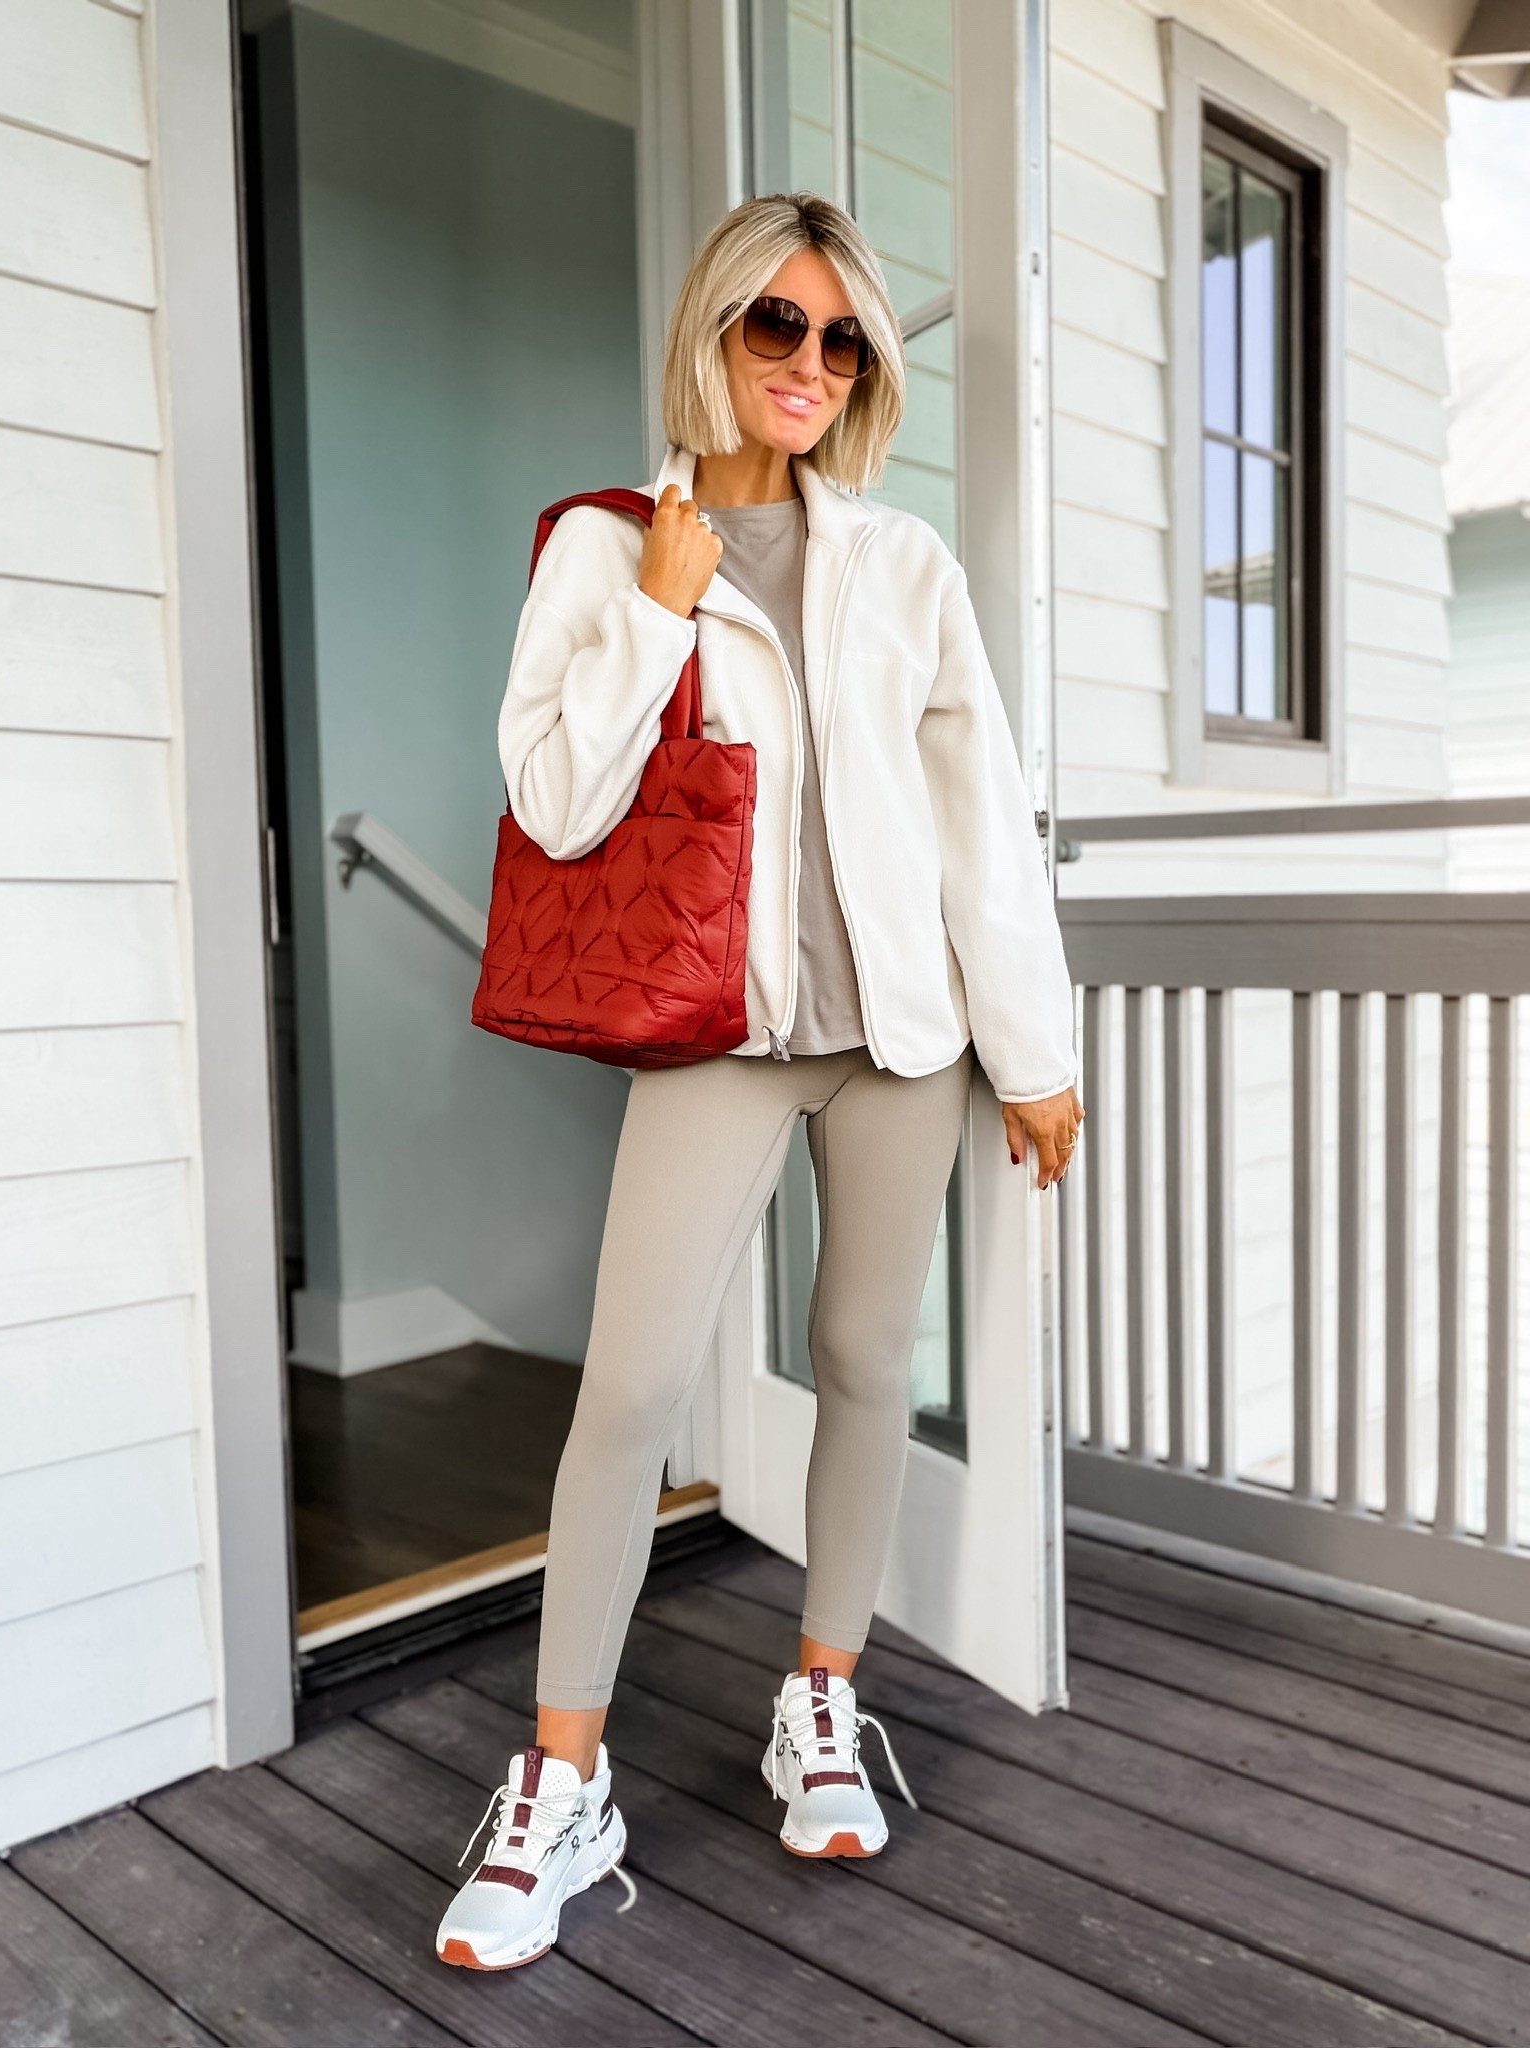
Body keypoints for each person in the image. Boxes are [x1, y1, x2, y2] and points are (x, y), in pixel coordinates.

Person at [436, 191, 1084, 1973]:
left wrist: (1030, 1053)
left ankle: (823, 1693)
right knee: (634, 1388)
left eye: (841, 336)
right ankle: (562, 1784)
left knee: (871, 1362)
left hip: (900, 1040)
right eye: (774, 326)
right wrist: (657, 612)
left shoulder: (904, 568)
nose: (809, 362)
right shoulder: (602, 546)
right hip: (711, 1035)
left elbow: (980, 827)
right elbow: (555, 804)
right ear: (713, 334)